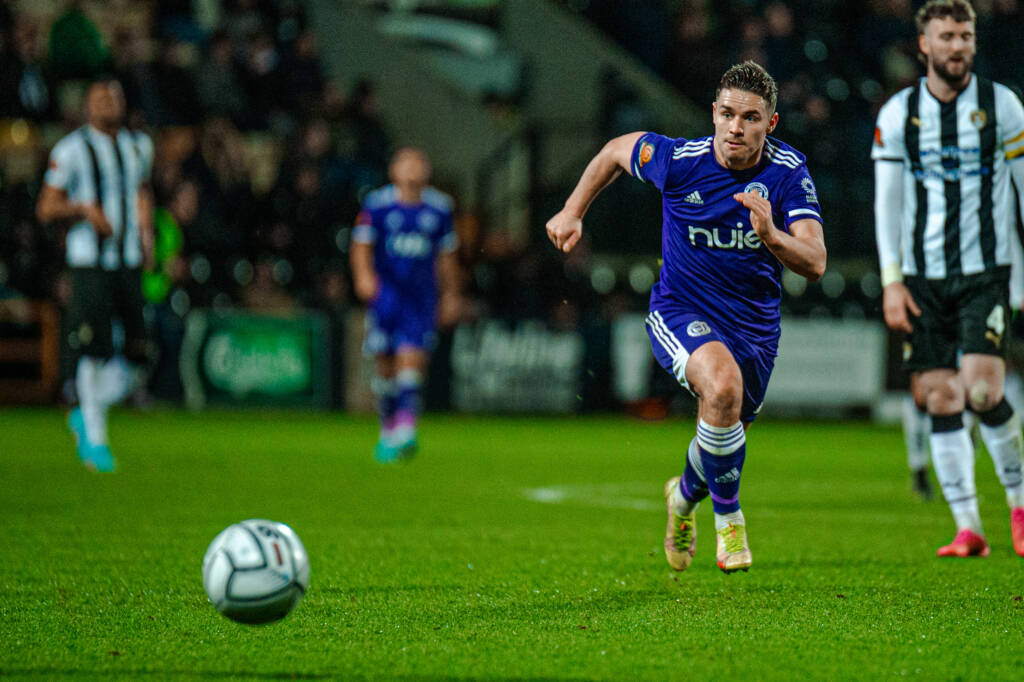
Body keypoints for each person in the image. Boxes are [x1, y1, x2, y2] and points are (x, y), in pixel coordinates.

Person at [546, 61, 826, 573]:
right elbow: (614, 151)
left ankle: (682, 499)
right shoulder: (678, 160)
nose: (735, 127)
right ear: (713, 113)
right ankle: (730, 520)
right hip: (681, 310)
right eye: (727, 114)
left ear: (771, 124)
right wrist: (572, 211)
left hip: (754, 328)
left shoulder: (788, 174)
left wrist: (772, 236)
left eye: (750, 118)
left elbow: (815, 261)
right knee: (722, 387)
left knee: (719, 428)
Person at [873, 0, 1024, 558]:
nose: (957, 46)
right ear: (924, 45)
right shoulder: (899, 114)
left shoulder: (1002, 105)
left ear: (974, 42)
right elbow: (887, 205)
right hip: (921, 279)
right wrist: (892, 281)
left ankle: (1019, 504)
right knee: (939, 396)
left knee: (983, 391)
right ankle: (969, 528)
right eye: (946, 36)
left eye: (965, 35)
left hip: (986, 270)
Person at [37, 77, 154, 472]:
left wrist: (146, 234)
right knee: (92, 349)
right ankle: (96, 438)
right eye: (101, 98)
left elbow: (141, 191)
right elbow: (46, 207)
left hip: (129, 260)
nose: (108, 104)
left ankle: (85, 413)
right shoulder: (71, 150)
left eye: (114, 97)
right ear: (87, 106)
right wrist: (84, 210)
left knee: (138, 352)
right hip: (88, 262)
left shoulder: (138, 146)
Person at [350, 147, 458, 463]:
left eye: (419, 162)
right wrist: (363, 277)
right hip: (387, 295)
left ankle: (406, 428)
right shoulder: (377, 204)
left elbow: (447, 256)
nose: (413, 168)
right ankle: (388, 429)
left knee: (411, 358)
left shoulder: (440, 208)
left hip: (421, 297)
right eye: (406, 163)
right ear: (393, 170)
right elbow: (361, 245)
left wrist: (451, 294)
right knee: (385, 363)